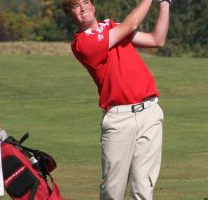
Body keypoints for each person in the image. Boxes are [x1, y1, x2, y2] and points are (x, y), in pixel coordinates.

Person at [62, 0, 170, 199]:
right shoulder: (82, 44)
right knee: (113, 190)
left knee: (144, 188)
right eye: (76, 6)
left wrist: (164, 4)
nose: (83, 7)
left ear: (94, 7)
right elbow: (131, 24)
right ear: (71, 16)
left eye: (86, 2)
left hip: (150, 112)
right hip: (119, 120)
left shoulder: (111, 25)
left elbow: (156, 40)